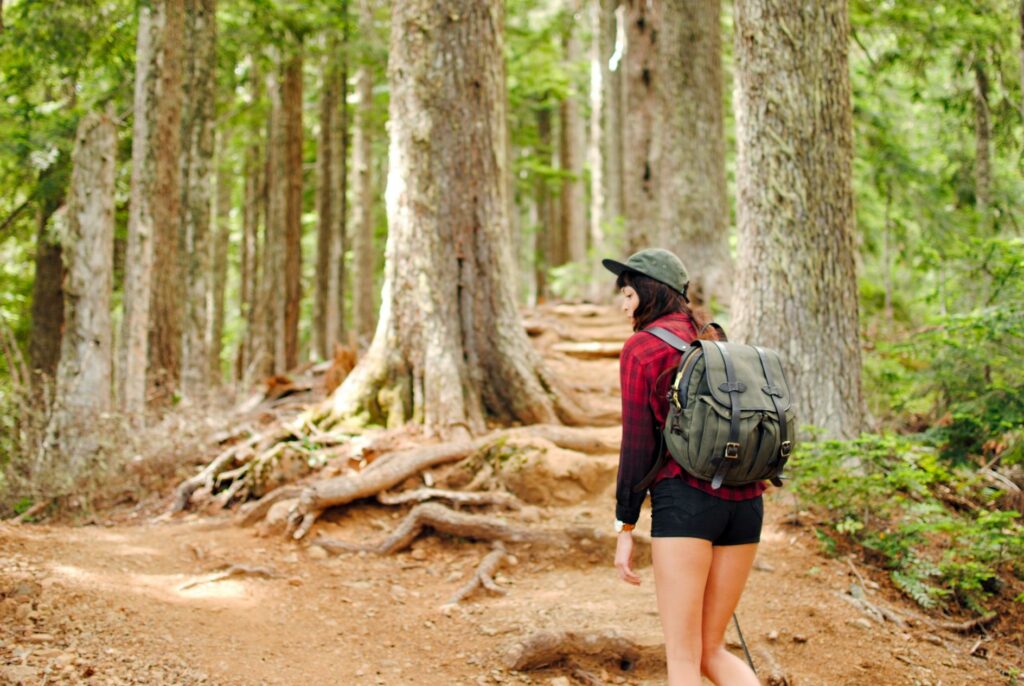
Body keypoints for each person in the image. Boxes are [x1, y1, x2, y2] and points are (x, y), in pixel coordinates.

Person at [601, 248, 765, 686]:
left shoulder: (641, 349)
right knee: (713, 650)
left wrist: (625, 526)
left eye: (628, 295)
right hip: (746, 503)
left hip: (685, 504)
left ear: (648, 294)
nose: (623, 305)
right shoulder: (714, 337)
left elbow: (637, 444)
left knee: (684, 660)